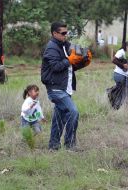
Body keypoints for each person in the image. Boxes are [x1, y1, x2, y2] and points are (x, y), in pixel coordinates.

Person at [41, 21, 92, 151]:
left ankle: (53, 146)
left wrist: (84, 61)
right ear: (54, 33)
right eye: (63, 33)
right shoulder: (51, 47)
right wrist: (69, 60)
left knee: (59, 117)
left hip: (65, 87)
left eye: (66, 32)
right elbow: (55, 66)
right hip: (55, 88)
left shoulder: (66, 45)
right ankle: (70, 146)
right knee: (72, 112)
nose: (66, 35)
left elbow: (70, 67)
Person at [107, 41, 128, 109]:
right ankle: (112, 94)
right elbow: (114, 60)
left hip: (123, 76)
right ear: (127, 47)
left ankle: (121, 106)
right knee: (125, 92)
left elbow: (125, 64)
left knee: (123, 92)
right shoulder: (121, 52)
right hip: (120, 75)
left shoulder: (125, 53)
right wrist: (122, 65)